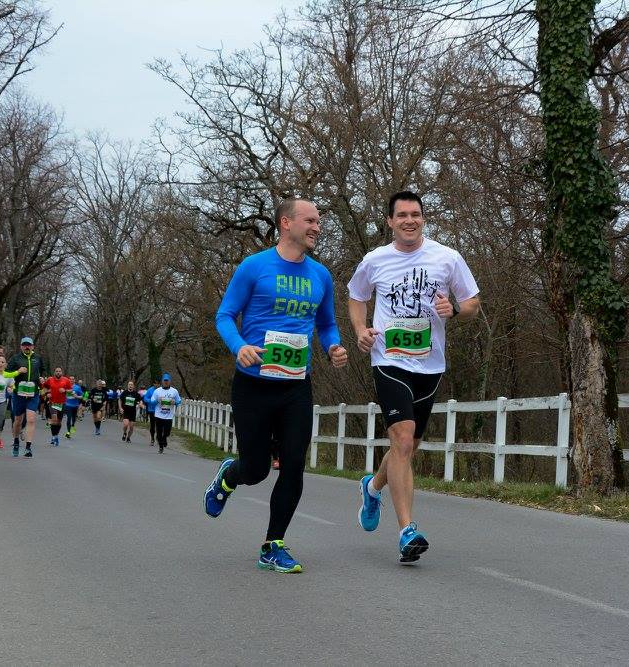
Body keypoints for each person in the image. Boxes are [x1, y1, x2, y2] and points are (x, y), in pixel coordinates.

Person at [203, 197, 348, 574]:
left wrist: (333, 346)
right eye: (310, 220)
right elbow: (224, 316)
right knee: (256, 470)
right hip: (253, 384)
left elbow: (326, 324)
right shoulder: (254, 267)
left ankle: (273, 544)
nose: (317, 227)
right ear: (286, 223)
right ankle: (230, 475)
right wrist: (239, 347)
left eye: (319, 221)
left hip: (295, 385)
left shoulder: (321, 276)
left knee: (294, 464)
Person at [347, 190, 480, 564]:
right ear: (390, 221)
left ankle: (373, 487)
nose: (410, 220)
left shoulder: (447, 258)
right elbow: (356, 297)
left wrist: (455, 309)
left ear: (423, 218)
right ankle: (407, 530)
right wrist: (360, 330)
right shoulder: (375, 260)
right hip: (388, 360)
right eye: (402, 215)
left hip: (430, 366)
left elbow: (473, 302)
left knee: (407, 448)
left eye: (416, 214)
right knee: (402, 439)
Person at [6, 336, 46, 458]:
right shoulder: (16, 358)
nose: (27, 347)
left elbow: (43, 371)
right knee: (18, 420)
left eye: (29, 345)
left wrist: (42, 378)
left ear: (33, 346)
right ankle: (16, 441)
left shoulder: (38, 358)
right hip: (19, 394)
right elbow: (6, 373)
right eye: (24, 345)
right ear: (21, 346)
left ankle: (28, 447)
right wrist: (17, 372)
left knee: (31, 419)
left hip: (33, 393)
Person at [151, 374, 182, 454]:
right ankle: (161, 447)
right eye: (164, 381)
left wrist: (175, 402)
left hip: (169, 416)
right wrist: (157, 400)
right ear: (162, 381)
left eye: (167, 381)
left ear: (170, 381)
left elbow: (179, 401)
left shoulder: (174, 391)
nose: (166, 382)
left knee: (167, 432)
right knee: (159, 432)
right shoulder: (157, 391)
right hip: (158, 415)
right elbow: (152, 401)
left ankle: (164, 438)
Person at [42, 368, 73, 446]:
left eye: (59, 371)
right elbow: (44, 388)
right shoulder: (50, 379)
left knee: (59, 422)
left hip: (62, 403)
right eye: (57, 371)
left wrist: (65, 391)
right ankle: (54, 437)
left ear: (61, 372)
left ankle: (56, 435)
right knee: (54, 419)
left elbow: (71, 391)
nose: (58, 372)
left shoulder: (66, 380)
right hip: (52, 403)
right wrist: (46, 394)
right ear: (54, 372)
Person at [142, 381, 160, 447]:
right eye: (155, 383)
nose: (157, 384)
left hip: (159, 411)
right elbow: (145, 398)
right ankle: (152, 439)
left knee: (159, 425)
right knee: (152, 425)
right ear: (153, 383)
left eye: (158, 383)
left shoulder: (161, 390)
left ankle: (158, 437)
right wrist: (150, 401)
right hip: (152, 410)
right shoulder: (150, 390)